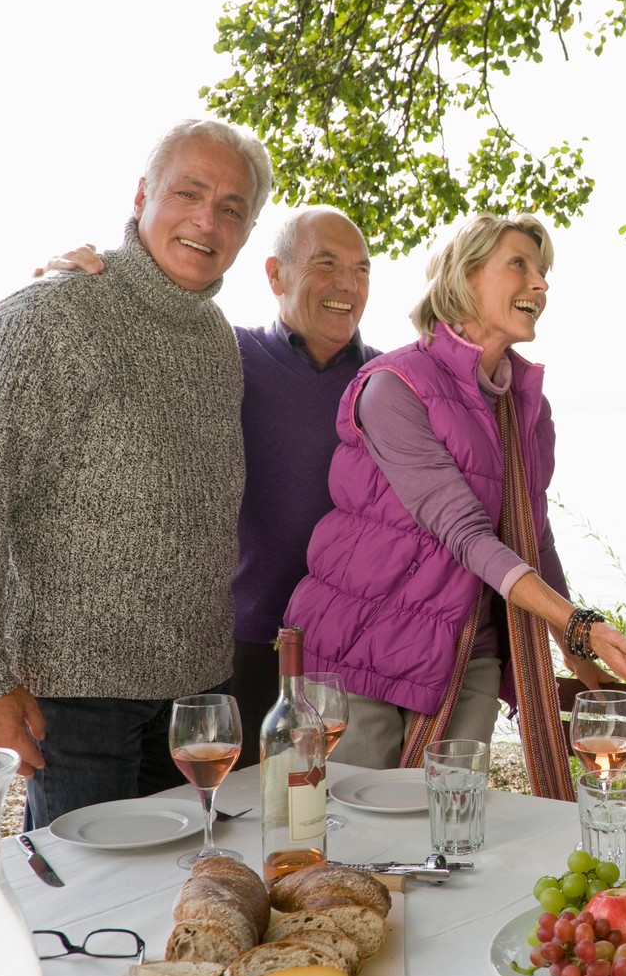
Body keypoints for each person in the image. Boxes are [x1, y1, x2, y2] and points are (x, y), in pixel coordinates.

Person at [0, 118, 272, 829]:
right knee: (85, 926)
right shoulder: (50, 316)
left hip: (199, 701)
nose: (208, 219)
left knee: (184, 914)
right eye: (189, 193)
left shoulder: (217, 341)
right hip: (77, 706)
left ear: (248, 229)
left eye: (232, 208)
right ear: (142, 195)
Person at [284, 213, 626, 800]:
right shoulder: (393, 386)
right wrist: (576, 621)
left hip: (469, 653)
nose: (540, 284)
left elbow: (531, 537)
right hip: (360, 653)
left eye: (543, 272)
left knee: (450, 832)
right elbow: (463, 532)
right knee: (349, 840)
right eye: (520, 265)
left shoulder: (525, 407)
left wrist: (574, 645)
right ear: (464, 277)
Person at [42, 206, 383, 766]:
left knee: (324, 821)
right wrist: (87, 276)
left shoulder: (388, 380)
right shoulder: (226, 353)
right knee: (234, 825)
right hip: (234, 645)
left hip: (343, 650)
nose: (347, 284)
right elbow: (144, 334)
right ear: (275, 275)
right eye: (326, 264)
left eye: (362, 269)